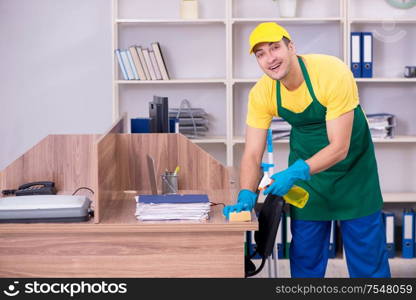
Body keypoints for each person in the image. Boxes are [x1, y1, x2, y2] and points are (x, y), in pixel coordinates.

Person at [222, 22, 391, 278]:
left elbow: (339, 147)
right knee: (305, 259)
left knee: (368, 260)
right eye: (261, 54)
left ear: (292, 47)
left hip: (354, 173)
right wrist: (246, 194)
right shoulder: (262, 93)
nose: (270, 59)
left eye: (275, 48)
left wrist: (294, 173)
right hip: (308, 180)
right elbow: (252, 154)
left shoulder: (331, 72)